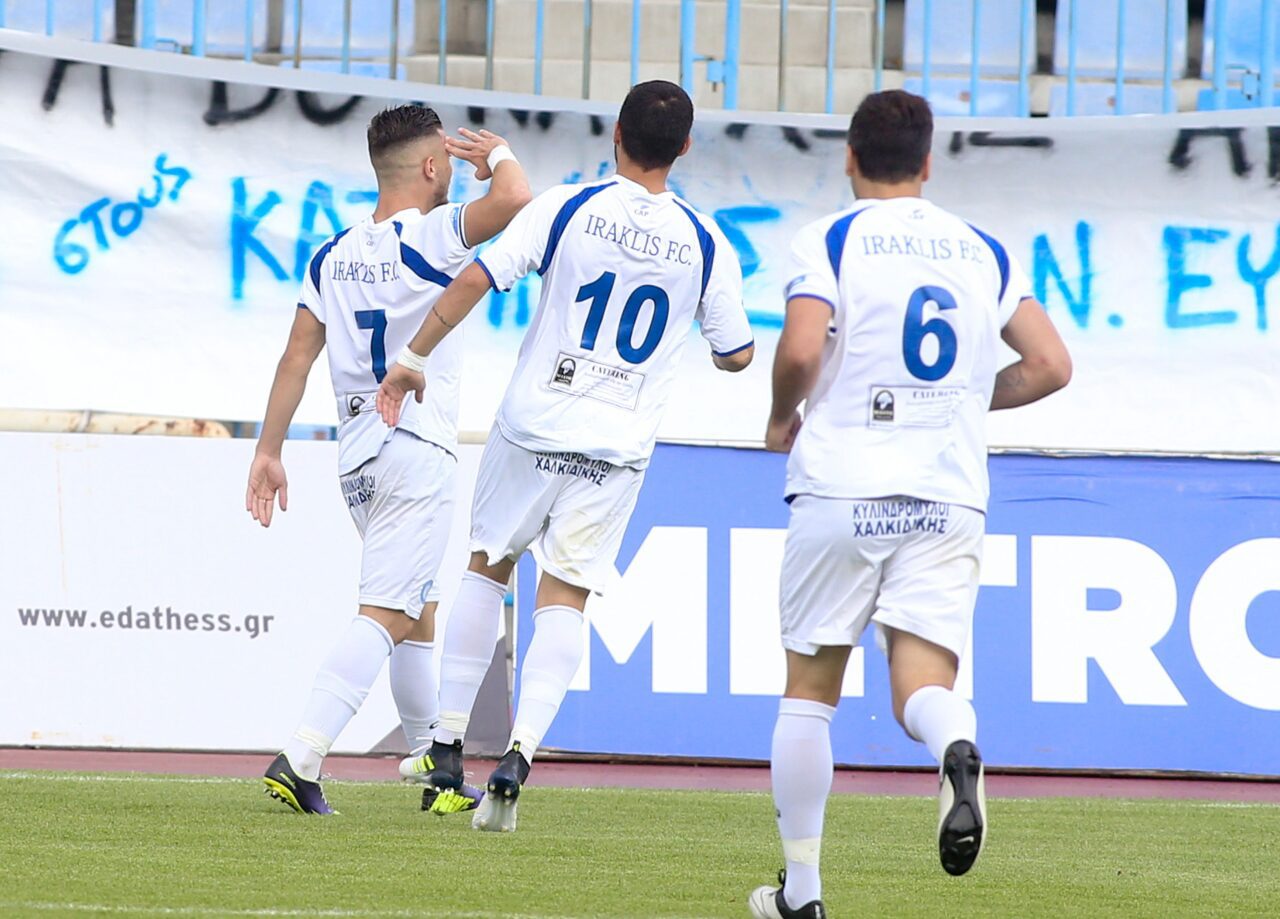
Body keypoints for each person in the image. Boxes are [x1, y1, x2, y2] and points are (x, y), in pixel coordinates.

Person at [377, 80, 754, 832]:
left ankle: (446, 746)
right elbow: (737, 352)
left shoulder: (568, 206)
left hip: (534, 424)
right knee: (566, 596)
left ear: (615, 133)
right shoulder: (707, 240)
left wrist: (413, 355)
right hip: (616, 445)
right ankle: (520, 752)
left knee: (486, 566)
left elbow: (481, 274)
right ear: (684, 148)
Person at [748, 90, 1072, 918]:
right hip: (947, 493)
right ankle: (955, 740)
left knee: (808, 693)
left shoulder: (831, 237)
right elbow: (1050, 364)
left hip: (844, 484)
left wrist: (782, 415)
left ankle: (802, 891)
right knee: (921, 684)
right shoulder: (981, 248)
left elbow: (801, 346)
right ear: (928, 163)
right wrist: (964, 400)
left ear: (849, 156)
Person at [247, 104, 531, 815]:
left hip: (358, 459)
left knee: (417, 611)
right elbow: (514, 199)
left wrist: (269, 449)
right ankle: (302, 754)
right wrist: (496, 153)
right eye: (449, 160)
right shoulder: (432, 235)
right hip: (414, 445)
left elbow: (295, 357)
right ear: (433, 165)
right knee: (386, 613)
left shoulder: (332, 253)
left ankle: (438, 768)